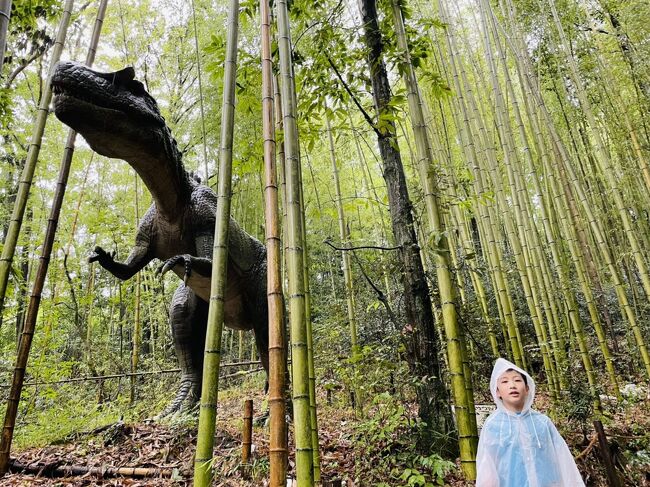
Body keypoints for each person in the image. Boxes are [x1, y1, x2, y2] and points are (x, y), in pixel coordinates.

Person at [475, 358, 585, 487]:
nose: (512, 385)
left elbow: (563, 459)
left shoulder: (542, 422)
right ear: (497, 391)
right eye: (504, 381)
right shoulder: (493, 425)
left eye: (517, 380)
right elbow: (486, 466)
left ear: (527, 388)